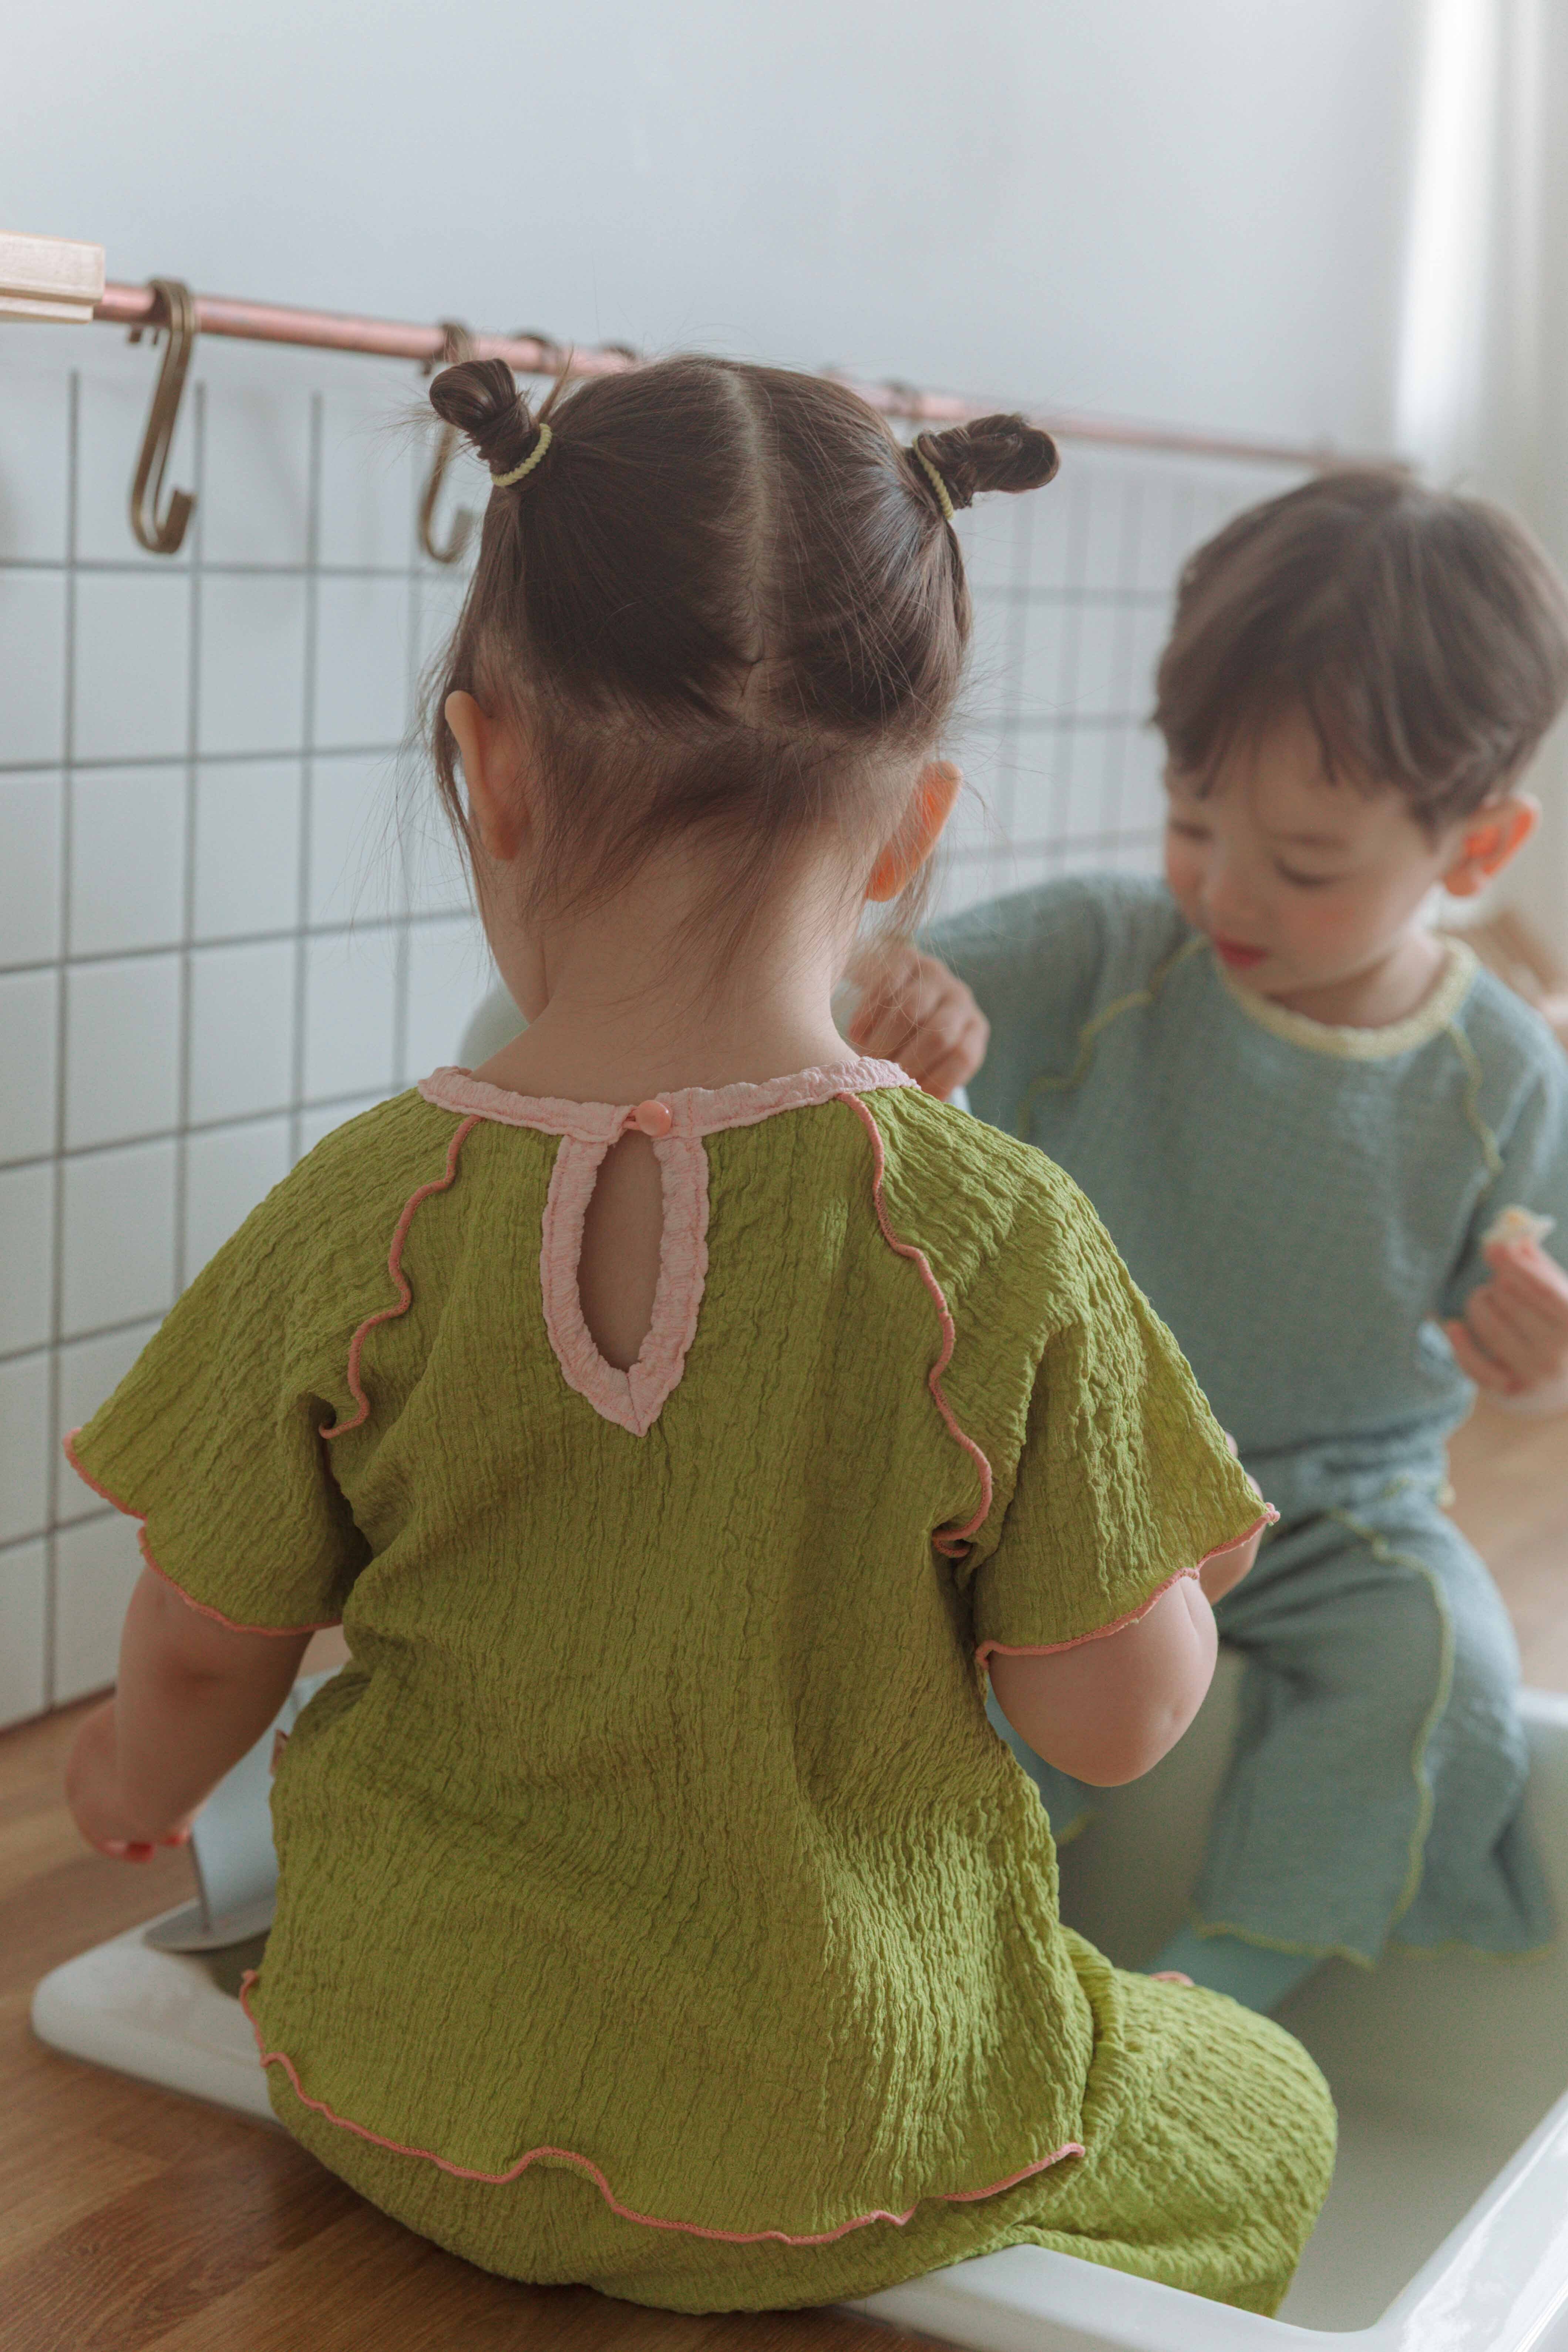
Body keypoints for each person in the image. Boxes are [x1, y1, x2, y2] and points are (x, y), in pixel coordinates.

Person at [61, 355, 1333, 2317]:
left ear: (488, 767)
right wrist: (1155, 1567)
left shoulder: (361, 1208)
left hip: (399, 2081)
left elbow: (197, 1637)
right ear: (911, 830)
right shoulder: (991, 1236)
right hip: (821, 2132)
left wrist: (133, 1784)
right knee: (1268, 2113)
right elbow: (1116, 1717)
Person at [852, 468, 1568, 2015]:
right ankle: (949, 1938)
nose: (1223, 887)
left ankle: (1216, 1991)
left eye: (1305, 865)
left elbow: (1530, 1310)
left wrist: (1541, 1362)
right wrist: (903, 1007)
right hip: (1063, 1487)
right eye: (1191, 820)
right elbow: (838, 1007)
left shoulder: (1502, 1074)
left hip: (1331, 1516)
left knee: (1441, 1665)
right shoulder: (1102, 951)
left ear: (1475, 849)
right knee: (923, 1665)